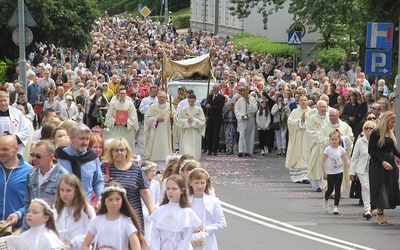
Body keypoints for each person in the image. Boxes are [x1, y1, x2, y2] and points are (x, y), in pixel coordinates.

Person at [101, 137, 155, 231]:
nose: (119, 153)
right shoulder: (104, 168)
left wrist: (152, 211)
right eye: (116, 150)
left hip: (133, 214)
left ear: (127, 151)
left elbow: (145, 192)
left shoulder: (136, 169)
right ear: (111, 152)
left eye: (122, 150)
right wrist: (103, 182)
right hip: (112, 214)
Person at [82, 182, 147, 250]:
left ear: (122, 200)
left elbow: (136, 247)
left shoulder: (126, 222)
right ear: (104, 201)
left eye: (118, 199)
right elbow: (85, 245)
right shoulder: (97, 220)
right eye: (110, 199)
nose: (114, 203)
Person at [22, 140, 69, 232]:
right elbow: (28, 204)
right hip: (33, 228)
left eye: (38, 156)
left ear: (51, 156)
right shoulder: (31, 174)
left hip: (53, 228)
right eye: (32, 155)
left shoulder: (63, 176)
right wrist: (24, 230)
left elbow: (66, 208)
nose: (34, 159)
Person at [56, 123, 104, 206]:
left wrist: (100, 199)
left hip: (86, 206)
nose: (85, 142)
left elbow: (98, 182)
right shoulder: (59, 157)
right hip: (63, 206)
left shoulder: (92, 158)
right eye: (82, 139)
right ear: (71, 138)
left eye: (87, 139)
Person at [149, 175, 201, 249]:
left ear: (182, 191)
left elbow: (186, 239)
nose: (170, 191)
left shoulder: (187, 213)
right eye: (168, 188)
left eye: (174, 189)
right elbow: (155, 236)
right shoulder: (160, 210)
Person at [368, 111, 400, 225]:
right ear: (386, 121)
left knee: (390, 186)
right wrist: (382, 162)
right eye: (392, 122)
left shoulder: (391, 132)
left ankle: (385, 208)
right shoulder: (376, 133)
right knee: (381, 187)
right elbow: (371, 151)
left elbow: (393, 149)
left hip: (391, 162)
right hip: (378, 163)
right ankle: (380, 214)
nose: (394, 124)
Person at [188, 168, 227, 250]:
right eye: (196, 183)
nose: (199, 186)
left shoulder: (213, 201)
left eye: (202, 183)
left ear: (206, 183)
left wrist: (205, 229)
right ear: (190, 182)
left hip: (207, 241)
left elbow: (222, 223)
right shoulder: (185, 200)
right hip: (188, 239)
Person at [54, 174, 96, 249]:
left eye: (68, 190)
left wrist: (73, 242)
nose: (64, 194)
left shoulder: (86, 209)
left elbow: (93, 234)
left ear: (76, 191)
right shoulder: (55, 208)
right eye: (62, 190)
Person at [0, 135, 32, 229]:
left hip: (18, 228)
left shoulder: (30, 172)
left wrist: (19, 214)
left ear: (16, 149)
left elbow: (33, 200)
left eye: (5, 149)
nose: (1, 152)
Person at [320, 109, 354, 192]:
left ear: (338, 116)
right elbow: (321, 139)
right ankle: (330, 191)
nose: (331, 117)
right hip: (330, 155)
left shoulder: (345, 126)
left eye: (333, 116)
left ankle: (337, 192)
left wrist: (341, 138)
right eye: (330, 116)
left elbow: (351, 137)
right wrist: (331, 140)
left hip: (341, 154)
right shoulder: (325, 127)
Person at [349, 121, 376, 219]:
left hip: (374, 168)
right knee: (366, 187)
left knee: (373, 188)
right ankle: (367, 209)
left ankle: (375, 207)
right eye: (366, 128)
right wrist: (352, 172)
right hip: (362, 168)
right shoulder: (360, 141)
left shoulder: (377, 140)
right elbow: (354, 157)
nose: (368, 130)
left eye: (371, 128)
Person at [321, 129, 351, 215]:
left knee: (338, 189)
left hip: (339, 172)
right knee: (330, 189)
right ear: (330, 140)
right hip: (330, 172)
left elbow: (346, 160)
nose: (334, 141)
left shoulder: (341, 149)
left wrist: (352, 168)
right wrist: (324, 172)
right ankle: (326, 199)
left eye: (336, 139)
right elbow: (322, 161)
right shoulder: (327, 149)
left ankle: (336, 207)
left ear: (339, 140)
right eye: (332, 139)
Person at [285, 95, 311, 183]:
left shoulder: (311, 112)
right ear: (298, 102)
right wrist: (300, 121)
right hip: (297, 138)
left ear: (307, 101)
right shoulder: (295, 112)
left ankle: (306, 177)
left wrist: (306, 122)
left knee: (307, 157)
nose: (303, 102)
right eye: (301, 100)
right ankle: (297, 177)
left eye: (305, 100)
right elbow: (290, 122)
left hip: (307, 139)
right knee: (296, 155)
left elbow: (313, 124)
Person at [144, 91, 176, 161]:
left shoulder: (170, 106)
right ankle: (155, 156)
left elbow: (176, 118)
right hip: (156, 130)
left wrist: (172, 117)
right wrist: (156, 119)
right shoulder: (152, 106)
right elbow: (147, 118)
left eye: (163, 97)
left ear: (166, 98)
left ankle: (167, 155)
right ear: (157, 97)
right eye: (160, 97)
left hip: (166, 130)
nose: (161, 99)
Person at [306, 100, 329, 192]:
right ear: (317, 108)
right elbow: (310, 132)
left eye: (325, 107)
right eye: (321, 107)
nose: (323, 109)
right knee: (316, 165)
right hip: (317, 145)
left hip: (328, 145)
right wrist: (323, 137)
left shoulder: (329, 117)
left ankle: (327, 185)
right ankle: (318, 185)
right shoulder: (312, 118)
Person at [176, 94, 206, 160]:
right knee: (185, 147)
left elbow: (202, 121)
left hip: (195, 132)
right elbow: (179, 120)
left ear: (195, 100)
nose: (191, 103)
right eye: (189, 101)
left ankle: (194, 160)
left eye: (192, 101)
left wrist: (194, 121)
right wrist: (186, 121)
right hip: (186, 132)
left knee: (194, 147)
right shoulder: (184, 109)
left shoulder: (199, 110)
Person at [0, 90, 31, 155]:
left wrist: (14, 137)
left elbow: (26, 131)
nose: (3, 103)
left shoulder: (17, 113)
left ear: (9, 100)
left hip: (14, 149)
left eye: (5, 100)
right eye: (0, 101)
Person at [235, 88, 258, 157]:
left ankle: (248, 150)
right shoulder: (239, 100)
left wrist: (249, 103)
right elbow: (236, 110)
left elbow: (255, 109)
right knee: (242, 134)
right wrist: (241, 115)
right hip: (242, 119)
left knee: (249, 134)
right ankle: (241, 150)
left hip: (250, 118)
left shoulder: (252, 99)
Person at [205, 84, 225, 156]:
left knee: (216, 135)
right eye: (213, 88)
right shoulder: (209, 97)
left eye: (216, 88)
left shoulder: (221, 97)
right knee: (209, 134)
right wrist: (206, 109)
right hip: (210, 118)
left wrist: (211, 107)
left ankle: (215, 150)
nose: (214, 89)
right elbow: (206, 106)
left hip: (217, 118)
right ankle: (209, 149)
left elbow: (219, 107)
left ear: (218, 89)